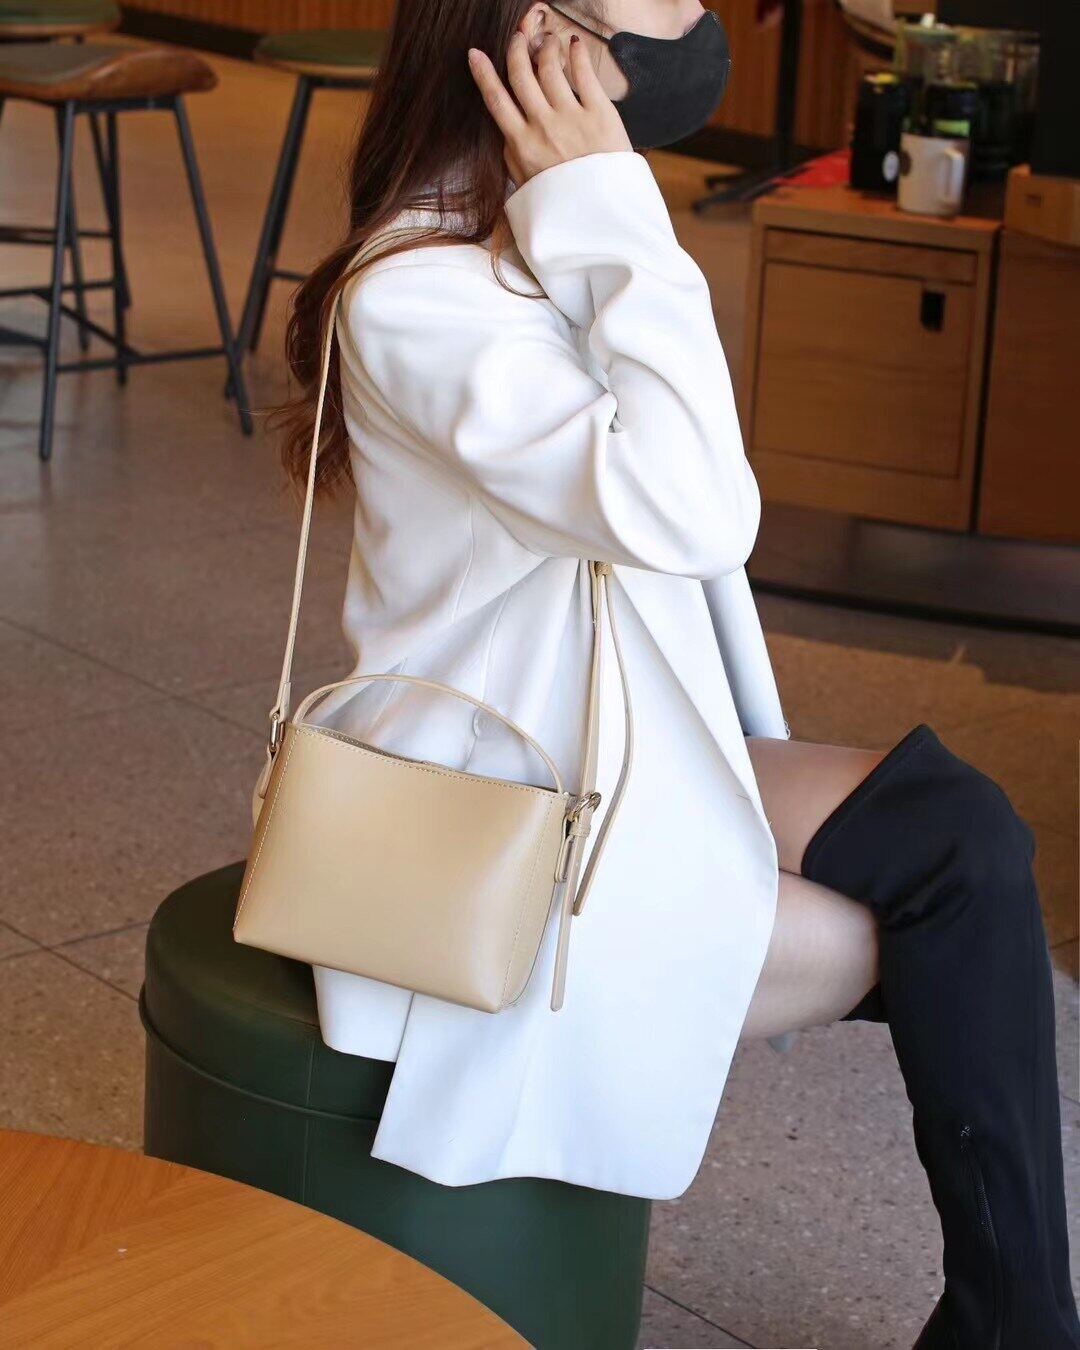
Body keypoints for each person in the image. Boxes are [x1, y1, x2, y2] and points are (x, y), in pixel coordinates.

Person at [271, 2, 1080, 1345]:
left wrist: (589, 211)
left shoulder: (527, 237)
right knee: (952, 943)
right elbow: (700, 508)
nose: (690, 33)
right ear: (533, 37)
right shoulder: (422, 294)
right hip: (499, 836)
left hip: (611, 751)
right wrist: (609, 204)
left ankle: (1015, 1323)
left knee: (963, 834)